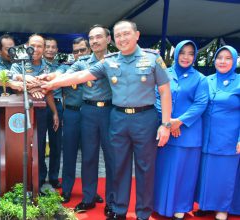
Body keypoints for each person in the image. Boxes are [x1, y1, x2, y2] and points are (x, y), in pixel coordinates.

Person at [41, 20, 171, 220]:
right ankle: (119, 210)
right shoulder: (109, 61)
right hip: (118, 118)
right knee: (119, 165)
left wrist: (166, 123)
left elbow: (164, 92)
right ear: (114, 39)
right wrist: (50, 82)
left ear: (137, 35)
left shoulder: (152, 59)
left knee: (145, 168)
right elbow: (80, 75)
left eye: (126, 34)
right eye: (119, 35)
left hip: (144, 118)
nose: (122, 38)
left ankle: (143, 213)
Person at [153, 40, 209, 220]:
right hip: (166, 132)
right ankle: (160, 205)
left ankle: (180, 207)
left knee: (185, 173)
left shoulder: (200, 78)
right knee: (163, 170)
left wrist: (180, 122)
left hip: (188, 135)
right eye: (182, 52)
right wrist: (169, 122)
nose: (186, 57)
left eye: (191, 53)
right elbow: (156, 97)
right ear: (176, 54)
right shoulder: (164, 74)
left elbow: (201, 103)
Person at [194, 45, 240, 220]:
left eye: (228, 58)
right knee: (206, 173)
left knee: (224, 175)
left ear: (235, 61)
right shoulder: (207, 80)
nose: (223, 61)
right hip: (205, 137)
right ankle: (206, 205)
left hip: (228, 138)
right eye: (220, 58)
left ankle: (222, 208)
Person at [10, 34, 59, 189]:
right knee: (24, 148)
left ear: (44, 48)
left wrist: (55, 112)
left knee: (39, 147)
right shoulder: (19, 63)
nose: (36, 49)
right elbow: (13, 84)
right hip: (21, 112)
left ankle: (38, 181)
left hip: (42, 111)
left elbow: (49, 90)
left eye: (40, 46)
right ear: (27, 46)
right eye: (33, 45)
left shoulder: (49, 67)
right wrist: (36, 87)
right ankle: (23, 182)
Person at [58, 37, 91, 203]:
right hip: (71, 114)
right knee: (69, 154)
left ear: (89, 50)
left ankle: (90, 193)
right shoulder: (67, 70)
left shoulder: (96, 68)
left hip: (90, 114)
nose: (79, 54)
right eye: (76, 51)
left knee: (90, 156)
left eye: (82, 50)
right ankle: (66, 190)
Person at [0, 34, 16, 191]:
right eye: (8, 49)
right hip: (2, 114)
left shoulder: (17, 62)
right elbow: (3, 77)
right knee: (3, 152)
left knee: (16, 150)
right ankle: (2, 185)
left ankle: (16, 182)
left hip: (17, 113)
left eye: (13, 48)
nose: (11, 52)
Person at [43, 37, 63, 189]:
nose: (50, 49)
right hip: (40, 106)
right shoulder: (36, 64)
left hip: (57, 106)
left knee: (56, 143)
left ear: (57, 50)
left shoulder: (61, 67)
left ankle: (54, 176)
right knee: (40, 142)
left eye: (53, 47)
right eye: (47, 46)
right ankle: (41, 175)